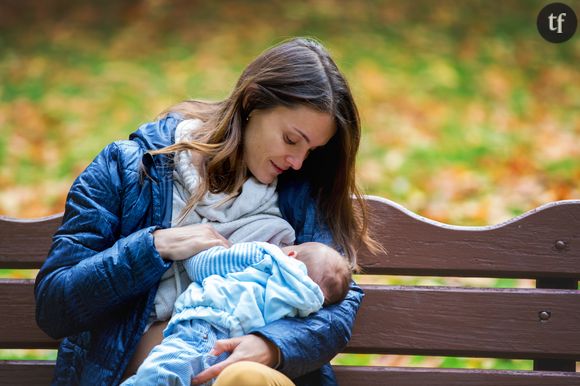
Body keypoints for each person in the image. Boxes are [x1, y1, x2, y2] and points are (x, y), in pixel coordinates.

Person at [34, 37, 379, 386]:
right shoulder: (127, 169)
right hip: (139, 375)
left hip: (247, 378)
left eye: (312, 150)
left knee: (245, 377)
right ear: (252, 101)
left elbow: (338, 303)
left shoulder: (301, 192)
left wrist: (271, 346)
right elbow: (54, 305)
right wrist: (153, 247)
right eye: (291, 140)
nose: (298, 161)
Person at [122, 241, 351, 386]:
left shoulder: (267, 256)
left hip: (204, 329)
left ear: (291, 254)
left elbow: (204, 266)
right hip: (233, 356)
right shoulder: (308, 307)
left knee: (160, 372)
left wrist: (190, 253)